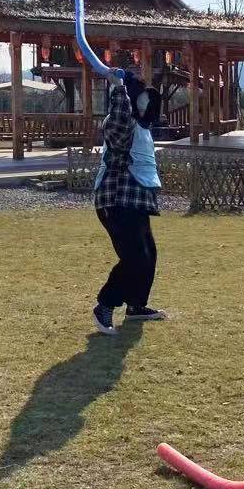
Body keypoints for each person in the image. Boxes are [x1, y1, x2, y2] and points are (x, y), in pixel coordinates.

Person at [92, 71, 167, 334]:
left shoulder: (142, 127)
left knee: (148, 254)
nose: (146, 103)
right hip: (116, 200)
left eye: (148, 99)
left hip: (136, 201)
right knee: (135, 257)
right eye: (141, 98)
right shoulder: (120, 123)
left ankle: (136, 305)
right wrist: (118, 88)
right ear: (131, 99)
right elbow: (118, 122)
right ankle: (105, 304)